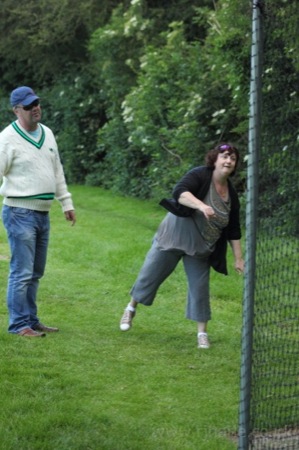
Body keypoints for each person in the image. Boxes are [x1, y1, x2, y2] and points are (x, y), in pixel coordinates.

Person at [119, 143, 244, 348]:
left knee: (200, 288)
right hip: (174, 236)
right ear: (215, 159)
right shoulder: (200, 175)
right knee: (150, 274)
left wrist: (238, 258)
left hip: (200, 246)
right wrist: (202, 205)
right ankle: (130, 309)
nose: (228, 161)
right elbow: (180, 192)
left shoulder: (231, 195)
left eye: (232, 158)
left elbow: (234, 229)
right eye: (224, 156)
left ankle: (201, 334)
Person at [0, 86, 76, 337]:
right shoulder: (7, 138)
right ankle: (19, 325)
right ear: (16, 110)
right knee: (22, 272)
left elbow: (57, 171)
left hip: (43, 213)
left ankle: (32, 320)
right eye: (29, 105)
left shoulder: (48, 133)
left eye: (37, 103)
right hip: (19, 212)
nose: (36, 108)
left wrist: (66, 202)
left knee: (35, 272)